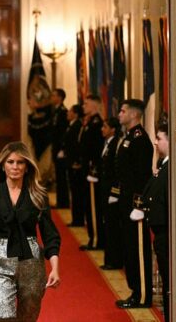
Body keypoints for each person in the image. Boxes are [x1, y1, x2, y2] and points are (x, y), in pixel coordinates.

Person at [0, 141, 61, 322]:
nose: (15, 166)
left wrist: (55, 268)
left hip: (32, 264)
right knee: (6, 318)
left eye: (20, 162)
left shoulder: (38, 194)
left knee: (27, 318)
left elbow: (49, 234)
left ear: (27, 167)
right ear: (2, 166)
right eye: (10, 162)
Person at [113, 99, 154, 309]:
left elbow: (142, 176)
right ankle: (135, 291)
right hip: (126, 203)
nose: (119, 114)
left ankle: (142, 295)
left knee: (138, 249)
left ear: (134, 115)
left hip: (134, 205)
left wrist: (139, 205)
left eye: (123, 111)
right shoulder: (129, 137)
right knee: (129, 249)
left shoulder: (140, 140)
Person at [131, 122, 170, 319]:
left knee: (168, 280)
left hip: (165, 231)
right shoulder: (163, 166)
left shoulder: (170, 168)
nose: (155, 142)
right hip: (159, 230)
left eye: (160, 138)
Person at [80, 95, 104, 250]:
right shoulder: (89, 122)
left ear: (95, 105)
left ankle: (96, 239)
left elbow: (95, 149)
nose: (83, 106)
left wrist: (92, 167)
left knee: (93, 208)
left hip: (93, 171)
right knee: (88, 206)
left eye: (87, 104)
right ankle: (92, 237)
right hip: (86, 169)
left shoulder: (97, 124)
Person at [99, 117, 123, 270]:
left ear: (113, 129)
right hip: (105, 189)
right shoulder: (107, 143)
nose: (102, 129)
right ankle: (109, 259)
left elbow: (116, 171)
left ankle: (114, 260)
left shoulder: (116, 144)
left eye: (105, 126)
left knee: (113, 227)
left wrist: (115, 192)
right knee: (107, 224)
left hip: (112, 192)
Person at [60, 104, 84, 226]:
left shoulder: (77, 125)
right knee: (73, 192)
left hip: (74, 163)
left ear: (75, 113)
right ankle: (76, 218)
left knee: (77, 193)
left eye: (70, 111)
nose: (67, 113)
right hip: (69, 161)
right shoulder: (72, 125)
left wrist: (75, 161)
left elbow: (76, 146)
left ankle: (78, 219)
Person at [50, 89, 70, 208]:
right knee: (58, 176)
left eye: (54, 95)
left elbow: (63, 132)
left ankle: (64, 202)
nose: (52, 97)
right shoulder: (56, 111)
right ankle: (60, 201)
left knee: (61, 177)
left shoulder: (63, 112)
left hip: (60, 150)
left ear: (60, 98)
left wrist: (62, 148)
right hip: (56, 148)